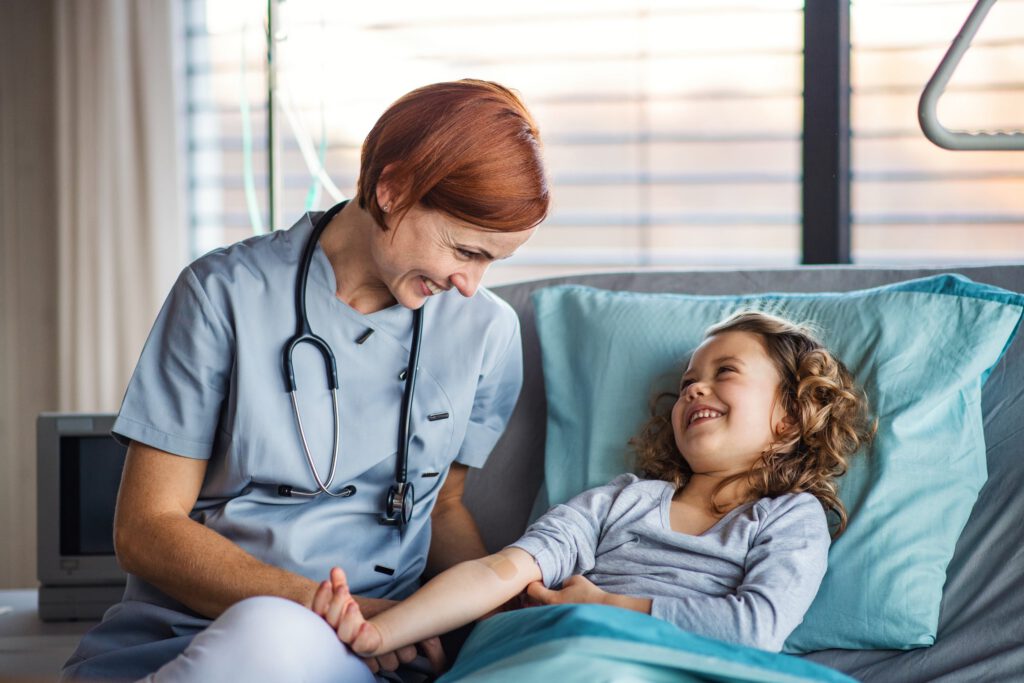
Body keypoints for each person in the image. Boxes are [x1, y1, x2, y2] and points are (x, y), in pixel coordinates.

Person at [61, 79, 549, 682]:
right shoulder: (222, 296)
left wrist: (501, 611)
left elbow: (441, 507)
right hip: (206, 631)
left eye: (491, 261)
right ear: (391, 188)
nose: (470, 284)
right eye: (463, 251)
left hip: (380, 644)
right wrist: (317, 609)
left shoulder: (487, 333)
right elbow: (146, 528)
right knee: (272, 640)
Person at [317, 311, 874, 660]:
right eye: (686, 384)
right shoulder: (618, 502)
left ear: (792, 415)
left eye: (724, 372)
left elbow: (757, 628)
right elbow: (502, 570)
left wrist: (609, 605)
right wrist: (383, 633)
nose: (695, 390)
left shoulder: (788, 518)